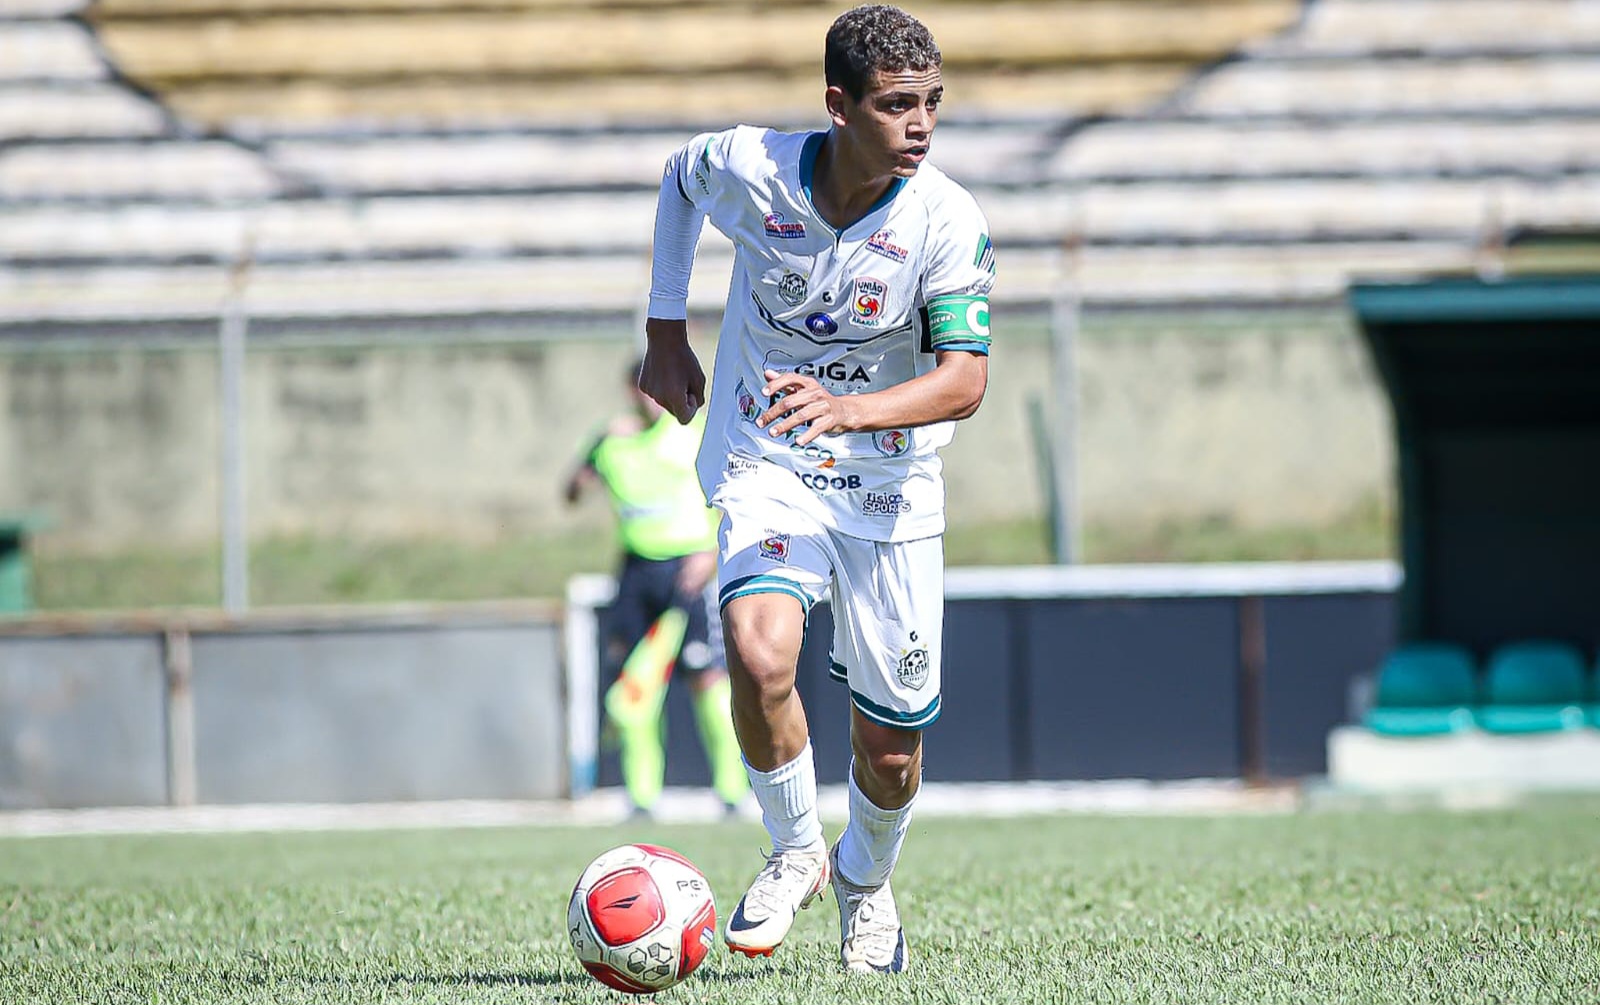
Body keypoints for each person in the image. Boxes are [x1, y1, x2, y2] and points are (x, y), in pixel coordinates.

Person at [637, 4, 994, 975]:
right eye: (895, 105)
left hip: (889, 487)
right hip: (770, 458)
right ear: (837, 106)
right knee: (758, 654)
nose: (919, 124)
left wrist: (852, 412)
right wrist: (664, 332)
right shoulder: (753, 166)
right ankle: (794, 846)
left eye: (931, 103)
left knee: (888, 752)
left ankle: (865, 887)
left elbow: (964, 380)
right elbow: (679, 180)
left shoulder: (944, 218)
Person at [564, 359, 750, 819]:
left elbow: (735, 493)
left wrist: (711, 553)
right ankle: (642, 797)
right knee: (637, 686)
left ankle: (733, 792)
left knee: (708, 680)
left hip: (690, 570)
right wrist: (598, 443)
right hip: (636, 573)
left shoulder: (697, 433)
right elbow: (571, 491)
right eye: (643, 390)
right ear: (632, 392)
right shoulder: (615, 443)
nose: (650, 399)